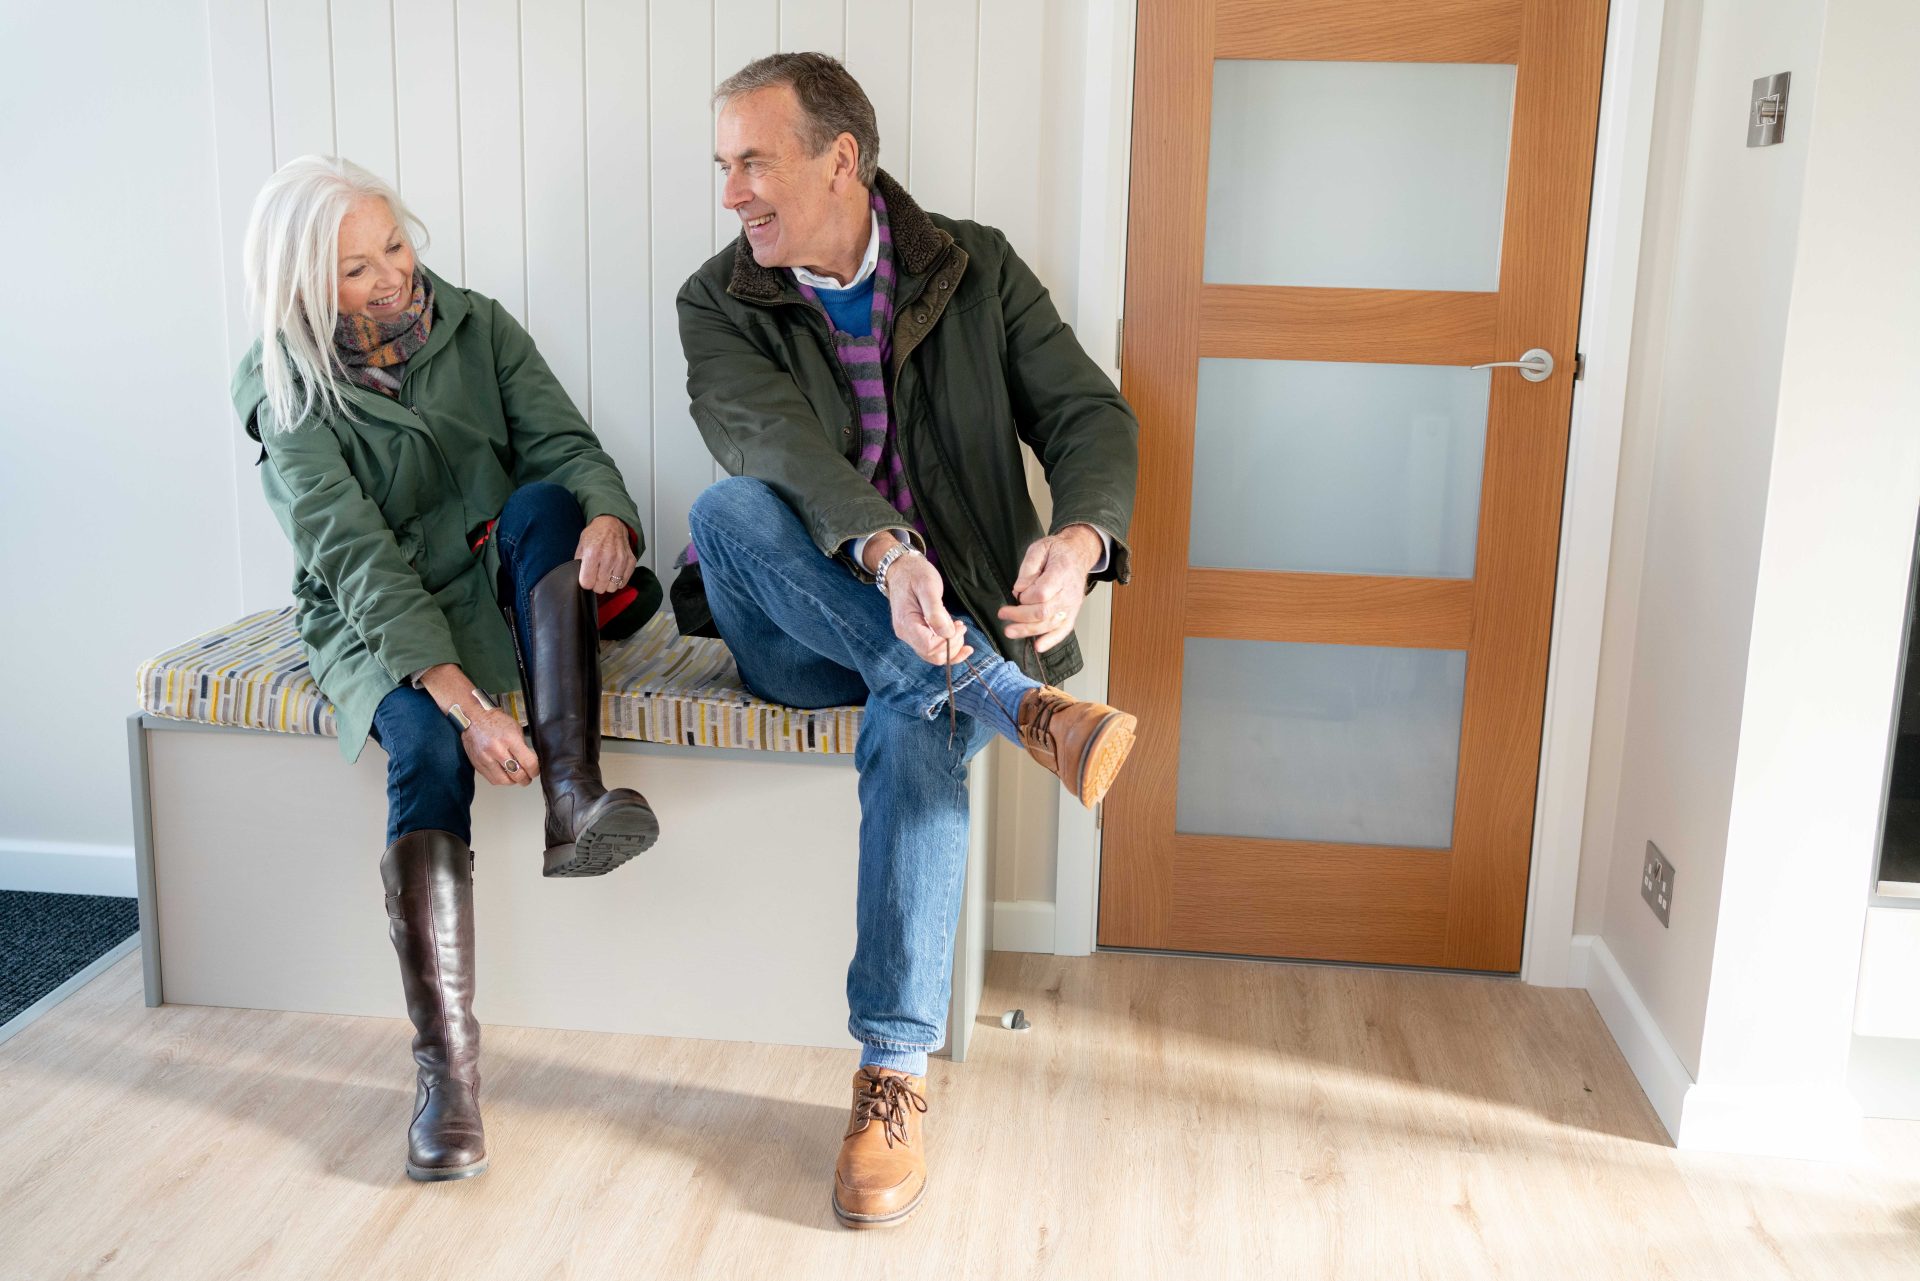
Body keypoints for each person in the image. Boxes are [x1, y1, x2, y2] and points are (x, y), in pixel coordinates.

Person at [677, 54, 1140, 1229]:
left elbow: (1085, 411)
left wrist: (1079, 541)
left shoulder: (975, 269)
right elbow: (774, 448)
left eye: (752, 162)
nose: (731, 192)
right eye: (723, 165)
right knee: (726, 511)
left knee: (914, 698)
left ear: (840, 159)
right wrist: (888, 557)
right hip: (801, 627)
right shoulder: (717, 301)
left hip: (940, 622)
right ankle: (1011, 700)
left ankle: (891, 1079)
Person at [232, 155, 662, 1183]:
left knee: (547, 503)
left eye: (394, 245)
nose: (390, 277)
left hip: (490, 583)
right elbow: (357, 562)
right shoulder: (281, 388)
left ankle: (574, 799)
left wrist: (607, 515)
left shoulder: (478, 325)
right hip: (372, 617)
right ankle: (447, 1076)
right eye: (354, 269)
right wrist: (467, 706)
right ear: (301, 283)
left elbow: (563, 444)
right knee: (425, 749)